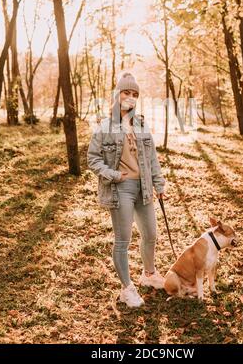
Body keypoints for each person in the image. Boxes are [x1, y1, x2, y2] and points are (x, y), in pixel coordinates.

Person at [87, 72, 168, 308]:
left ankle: (149, 274)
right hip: (120, 188)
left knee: (151, 234)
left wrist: (158, 184)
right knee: (123, 240)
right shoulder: (105, 127)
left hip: (143, 187)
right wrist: (112, 175)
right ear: (117, 94)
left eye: (134, 94)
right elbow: (93, 159)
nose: (130, 98)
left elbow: (151, 158)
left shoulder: (141, 125)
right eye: (126, 92)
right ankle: (127, 289)